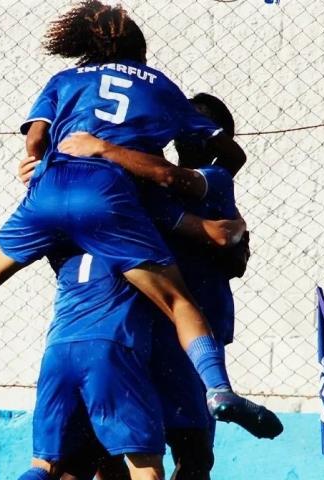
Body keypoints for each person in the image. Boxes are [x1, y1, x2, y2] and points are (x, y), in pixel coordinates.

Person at [0, 3, 280, 478]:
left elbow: (36, 141)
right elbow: (205, 197)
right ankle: (219, 388)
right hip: (118, 272)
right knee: (178, 318)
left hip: (54, 207)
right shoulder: (160, 107)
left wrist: (39, 168)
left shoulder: (66, 82)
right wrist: (124, 153)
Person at [56, 93, 261, 479]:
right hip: (147, 327)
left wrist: (101, 149)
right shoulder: (151, 180)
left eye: (196, 127)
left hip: (186, 329)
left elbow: (229, 249)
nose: (186, 134)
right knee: (115, 452)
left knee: (187, 450)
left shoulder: (203, 180)